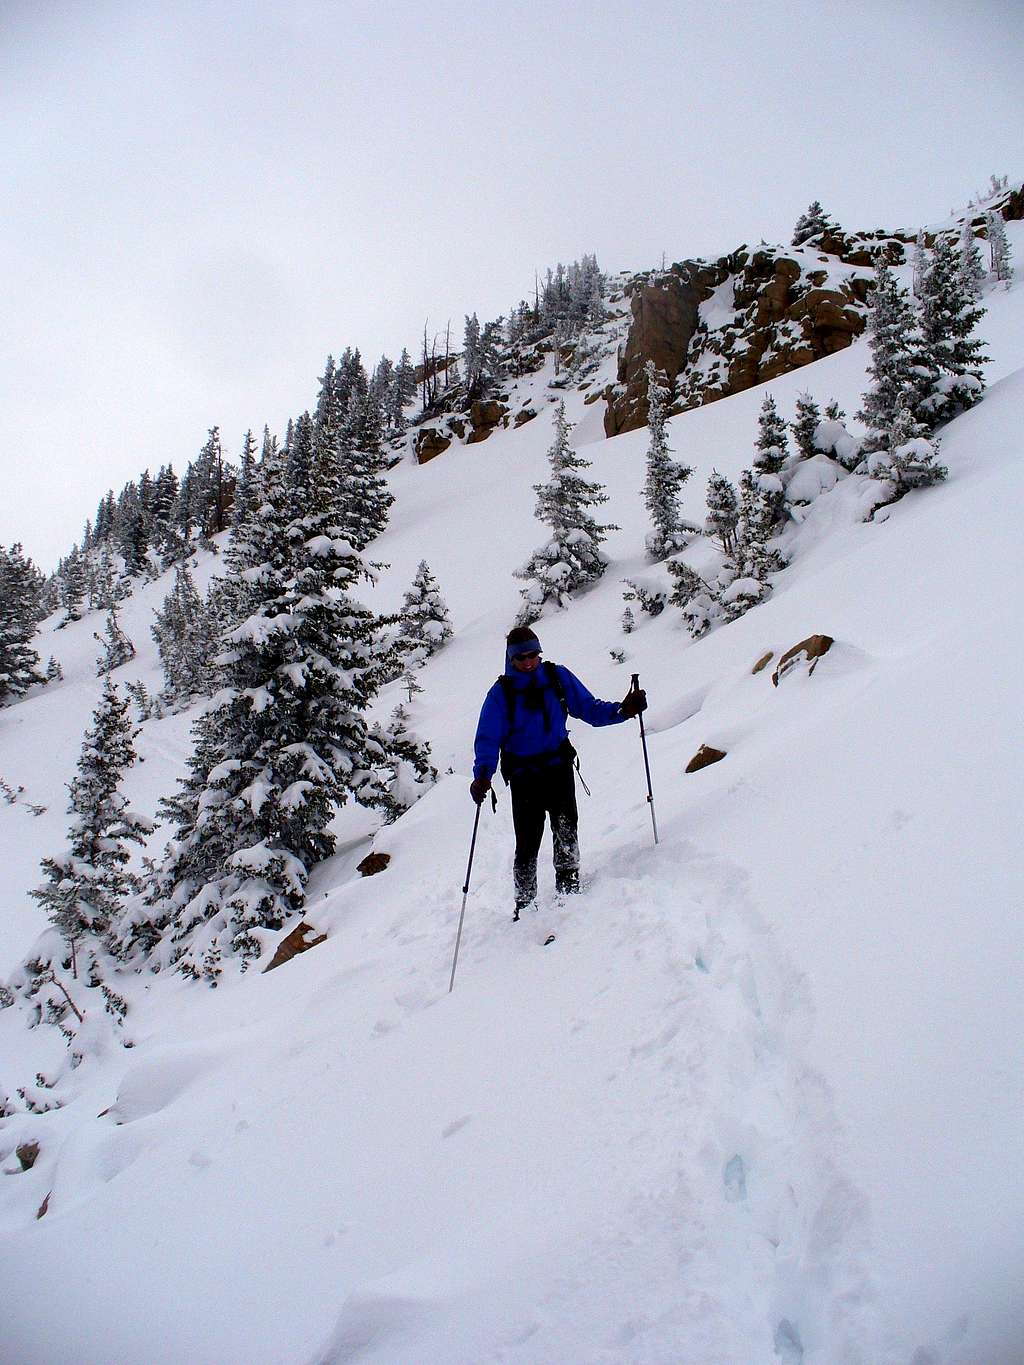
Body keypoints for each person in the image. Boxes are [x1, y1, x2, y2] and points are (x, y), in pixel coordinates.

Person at [471, 626, 647, 919]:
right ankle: (525, 904)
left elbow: (588, 708)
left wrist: (623, 711)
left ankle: (569, 886)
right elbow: (488, 738)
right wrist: (482, 775)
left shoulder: (556, 677)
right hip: (525, 777)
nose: (528, 662)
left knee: (566, 828)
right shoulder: (501, 693)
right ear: (510, 658)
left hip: (558, 767)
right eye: (521, 657)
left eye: (533, 655)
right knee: (527, 842)